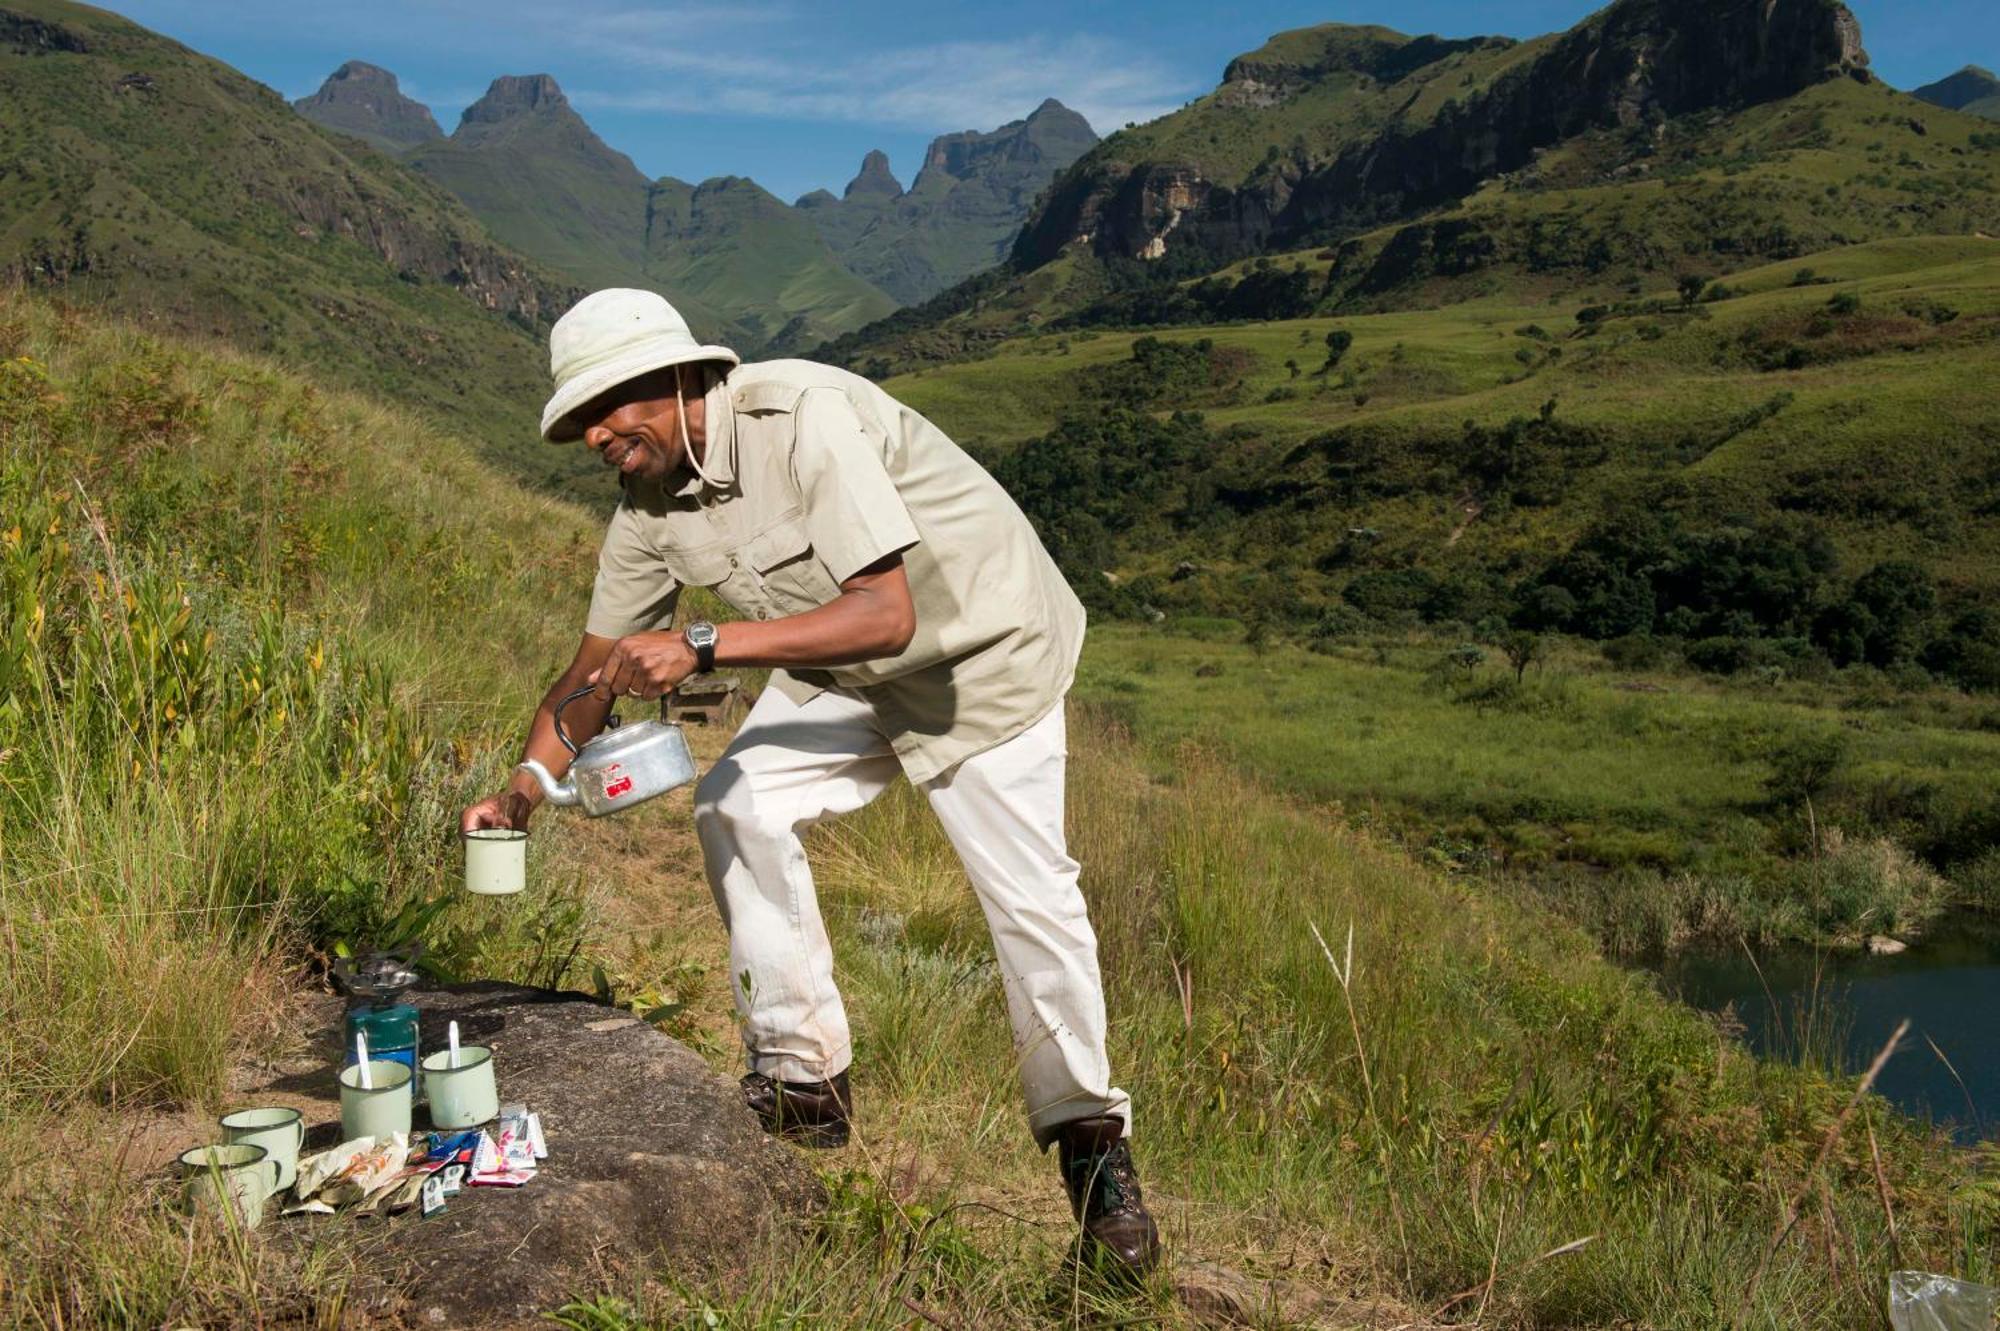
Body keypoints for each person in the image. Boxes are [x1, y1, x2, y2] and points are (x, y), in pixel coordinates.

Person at [461, 288, 1161, 1274]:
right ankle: (802, 1083)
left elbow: (886, 614)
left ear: (670, 377)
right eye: (581, 421)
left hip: (981, 660)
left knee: (1028, 901)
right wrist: (526, 787)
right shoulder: (647, 507)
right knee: (736, 801)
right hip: (841, 674)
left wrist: (703, 645)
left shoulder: (802, 421)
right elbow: (589, 673)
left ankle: (1094, 1157)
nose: (596, 435)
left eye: (609, 406)